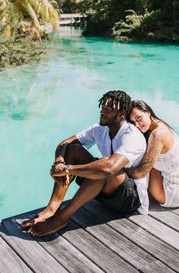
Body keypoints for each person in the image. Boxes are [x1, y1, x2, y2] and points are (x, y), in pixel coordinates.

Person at [22, 91, 149, 237]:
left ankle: (62, 218)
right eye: (102, 108)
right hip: (103, 191)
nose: (102, 111)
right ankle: (52, 208)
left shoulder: (131, 135)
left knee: (103, 166)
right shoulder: (100, 129)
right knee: (74, 149)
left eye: (108, 110)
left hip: (128, 199)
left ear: (121, 115)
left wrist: (68, 169)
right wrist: (60, 162)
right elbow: (65, 143)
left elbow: (110, 168)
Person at [125, 100, 179, 208]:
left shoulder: (157, 134)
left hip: (173, 194)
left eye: (139, 118)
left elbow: (141, 172)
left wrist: (120, 170)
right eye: (133, 123)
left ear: (148, 112)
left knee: (146, 163)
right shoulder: (161, 125)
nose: (137, 125)